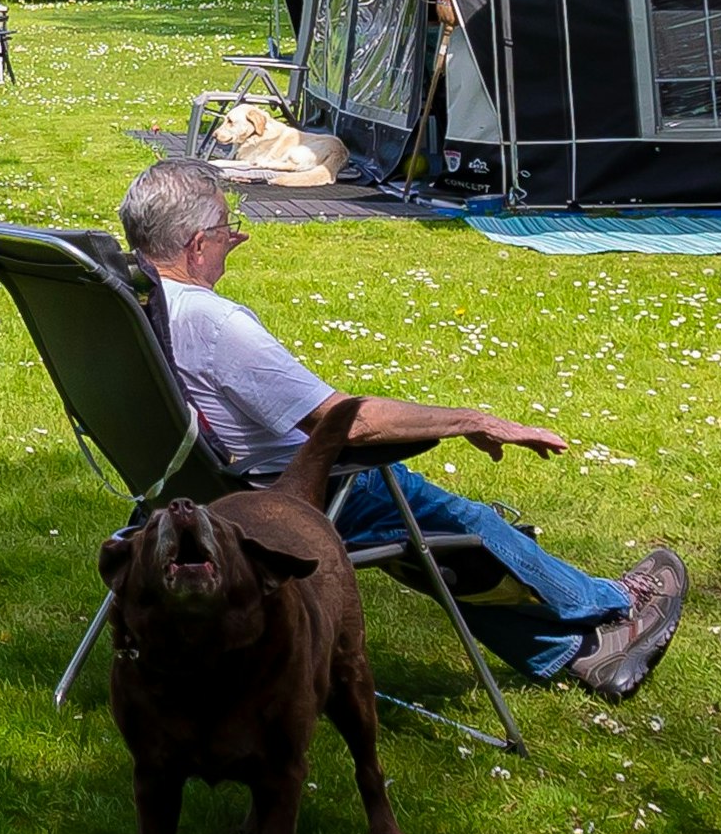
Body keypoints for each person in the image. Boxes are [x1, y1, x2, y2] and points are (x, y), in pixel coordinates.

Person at [114, 158, 690, 696]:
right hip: (289, 493)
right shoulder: (215, 323)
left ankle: (573, 651)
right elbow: (345, 422)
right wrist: (469, 420)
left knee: (432, 550)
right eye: (224, 227)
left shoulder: (131, 305)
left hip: (186, 493)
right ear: (194, 245)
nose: (234, 238)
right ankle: (614, 605)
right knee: (461, 529)